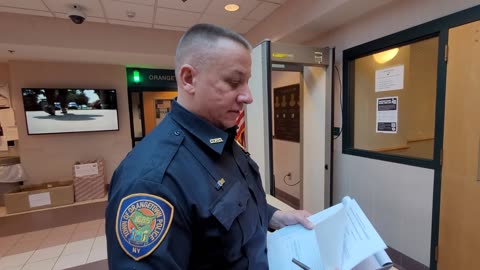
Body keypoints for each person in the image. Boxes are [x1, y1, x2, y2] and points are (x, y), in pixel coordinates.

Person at [105, 23, 314, 270]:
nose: (248, 96)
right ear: (189, 79)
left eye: (247, 82)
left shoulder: (220, 136)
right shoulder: (152, 182)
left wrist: (276, 218)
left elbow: (229, 210)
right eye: (234, 82)